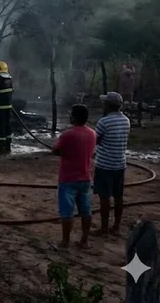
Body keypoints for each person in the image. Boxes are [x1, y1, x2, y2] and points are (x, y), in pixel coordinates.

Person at [51, 104, 96, 250]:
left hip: (68, 179)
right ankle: (85, 241)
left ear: (74, 118)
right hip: (85, 178)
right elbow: (92, 152)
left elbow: (56, 150)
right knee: (86, 211)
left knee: (67, 212)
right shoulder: (92, 134)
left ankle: (65, 243)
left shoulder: (67, 135)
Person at [93, 91, 131, 237]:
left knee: (104, 196)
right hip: (120, 164)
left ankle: (104, 228)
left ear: (108, 105)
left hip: (105, 165)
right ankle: (116, 227)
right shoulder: (126, 120)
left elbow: (95, 140)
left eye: (105, 103)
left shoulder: (103, 122)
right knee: (118, 196)